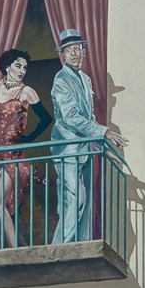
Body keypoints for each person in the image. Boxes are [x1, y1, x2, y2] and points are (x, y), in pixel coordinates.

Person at [0, 47, 42, 249]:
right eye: (18, 65)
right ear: (7, 66)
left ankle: (15, 247)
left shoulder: (27, 92)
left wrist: (27, 138)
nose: (22, 70)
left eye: (25, 67)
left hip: (13, 153)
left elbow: (46, 119)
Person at [46, 26, 104, 245]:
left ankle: (80, 244)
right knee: (75, 199)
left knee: (83, 200)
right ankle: (59, 248)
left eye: (76, 48)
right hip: (67, 149)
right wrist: (101, 131)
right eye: (68, 49)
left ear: (83, 51)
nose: (73, 53)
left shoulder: (86, 80)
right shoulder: (61, 80)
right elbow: (70, 117)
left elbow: (88, 115)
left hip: (85, 149)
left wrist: (100, 137)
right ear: (63, 54)